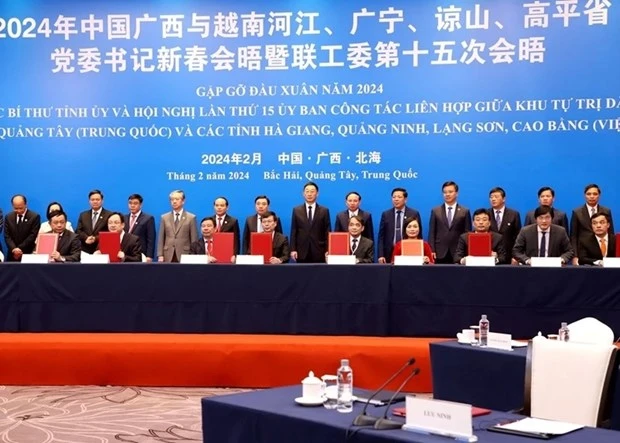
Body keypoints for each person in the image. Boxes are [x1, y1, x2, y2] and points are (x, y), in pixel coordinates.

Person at [570, 184, 614, 265]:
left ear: (599, 196)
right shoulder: (577, 212)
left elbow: (611, 232)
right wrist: (575, 256)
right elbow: (573, 236)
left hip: (603, 249)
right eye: (589, 194)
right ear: (585, 195)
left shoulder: (606, 211)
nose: (592, 196)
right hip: (584, 253)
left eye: (595, 194)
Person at [428, 181, 471, 264]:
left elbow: (467, 233)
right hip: (439, 252)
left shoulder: (464, 211)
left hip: (458, 252)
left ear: (457, 193)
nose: (447, 194)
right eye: (445, 192)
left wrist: (465, 251)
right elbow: (432, 232)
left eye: (450, 192)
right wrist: (432, 250)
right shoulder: (435, 211)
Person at [378, 187, 422, 264]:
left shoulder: (414, 213)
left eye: (399, 197)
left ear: (405, 199)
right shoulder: (386, 214)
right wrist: (381, 255)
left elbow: (419, 234)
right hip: (389, 252)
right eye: (394, 197)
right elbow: (381, 236)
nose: (396, 199)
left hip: (408, 250)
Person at [290, 182, 331, 263]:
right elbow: (294, 231)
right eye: (307, 191)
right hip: (301, 251)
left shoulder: (324, 211)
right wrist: (293, 249)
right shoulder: (296, 210)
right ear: (303, 193)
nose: (309, 194)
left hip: (319, 251)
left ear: (317, 193)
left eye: (312, 191)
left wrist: (328, 250)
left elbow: (327, 231)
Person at [157, 190, 198, 262]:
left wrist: (193, 255)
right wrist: (160, 255)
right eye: (172, 199)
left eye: (177, 199)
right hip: (168, 254)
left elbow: (194, 239)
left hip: (185, 254)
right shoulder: (164, 217)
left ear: (183, 201)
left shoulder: (191, 217)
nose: (174, 201)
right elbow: (161, 238)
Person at [487, 187, 521, 264]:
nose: (493, 199)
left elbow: (517, 237)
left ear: (504, 199)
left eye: (496, 197)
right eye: (491, 197)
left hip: (508, 254)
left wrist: (515, 256)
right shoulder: (486, 214)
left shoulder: (514, 214)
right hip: (490, 254)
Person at [3, 194, 41, 261]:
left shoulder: (34, 217)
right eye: (16, 208)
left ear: (26, 204)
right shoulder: (8, 217)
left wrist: (19, 249)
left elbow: (33, 235)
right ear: (12, 206)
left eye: (21, 208)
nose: (19, 211)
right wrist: (14, 249)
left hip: (28, 253)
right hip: (12, 254)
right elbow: (7, 235)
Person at [76, 189, 112, 254]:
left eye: (97, 199)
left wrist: (95, 239)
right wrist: (86, 238)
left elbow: (110, 232)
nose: (95, 201)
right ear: (89, 201)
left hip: (101, 249)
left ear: (102, 201)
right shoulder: (83, 215)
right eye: (92, 200)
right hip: (85, 249)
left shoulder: (109, 215)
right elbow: (78, 231)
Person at [124, 193, 156, 261]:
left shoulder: (148, 218)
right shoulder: (124, 218)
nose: (132, 205)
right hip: (125, 254)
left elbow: (151, 239)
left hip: (140, 253)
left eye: (135, 203)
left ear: (141, 205)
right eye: (130, 203)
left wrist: (149, 256)